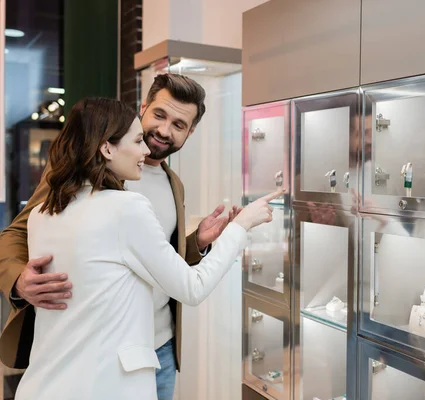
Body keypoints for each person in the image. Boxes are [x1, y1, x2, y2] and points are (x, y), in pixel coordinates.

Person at [12, 97, 279, 400]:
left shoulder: (42, 214)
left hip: (45, 383)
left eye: (179, 124)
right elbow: (193, 287)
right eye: (137, 140)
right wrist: (240, 227)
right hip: (107, 385)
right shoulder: (127, 207)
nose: (145, 150)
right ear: (107, 148)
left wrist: (199, 241)